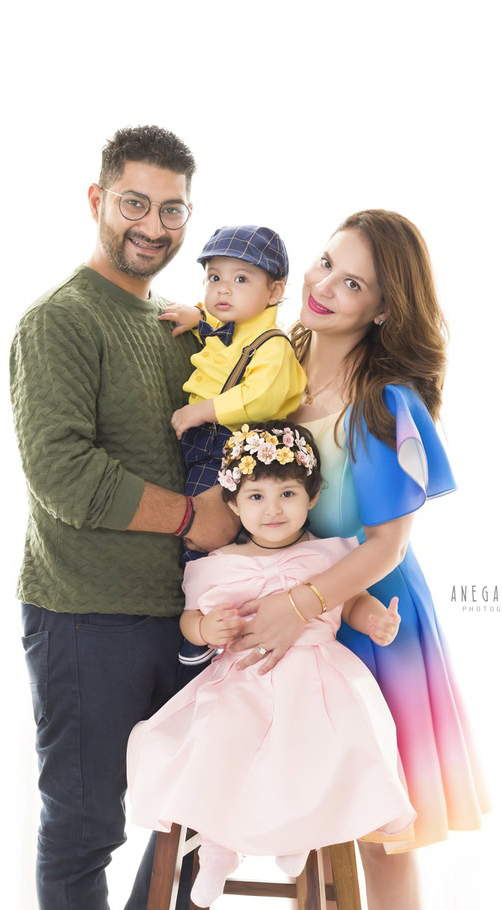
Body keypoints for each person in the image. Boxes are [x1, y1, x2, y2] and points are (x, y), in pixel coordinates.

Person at [230, 210, 490, 910]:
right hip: (305, 622)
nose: (324, 287)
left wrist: (300, 602)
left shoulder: (388, 403)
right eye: (325, 265)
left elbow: (383, 544)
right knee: (312, 832)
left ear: (384, 309)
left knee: (383, 838)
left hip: (371, 622)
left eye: (352, 282)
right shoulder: (285, 368)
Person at [10, 125, 240, 910]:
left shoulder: (167, 327)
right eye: (135, 202)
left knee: (194, 812)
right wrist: (194, 516)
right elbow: (64, 472)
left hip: (178, 616)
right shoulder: (58, 322)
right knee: (85, 823)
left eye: (172, 207)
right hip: (84, 611)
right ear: (96, 200)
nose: (153, 224)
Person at [125, 421, 415, 908]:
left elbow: (355, 598)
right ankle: (218, 849)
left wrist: (373, 622)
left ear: (313, 496)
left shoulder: (328, 555)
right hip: (244, 676)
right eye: (256, 497)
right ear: (235, 505)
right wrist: (206, 629)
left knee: (315, 741)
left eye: (287, 493)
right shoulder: (220, 562)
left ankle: (297, 834)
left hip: (315, 670)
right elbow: (190, 619)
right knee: (221, 740)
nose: (273, 508)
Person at [159, 225, 307, 666]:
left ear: (275, 291)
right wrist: (198, 317)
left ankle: (200, 625)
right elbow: (220, 343)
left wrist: (202, 411)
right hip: (209, 443)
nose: (224, 289)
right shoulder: (230, 329)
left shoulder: (273, 344)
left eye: (241, 279)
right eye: (214, 277)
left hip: (231, 445)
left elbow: (257, 395)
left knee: (204, 532)